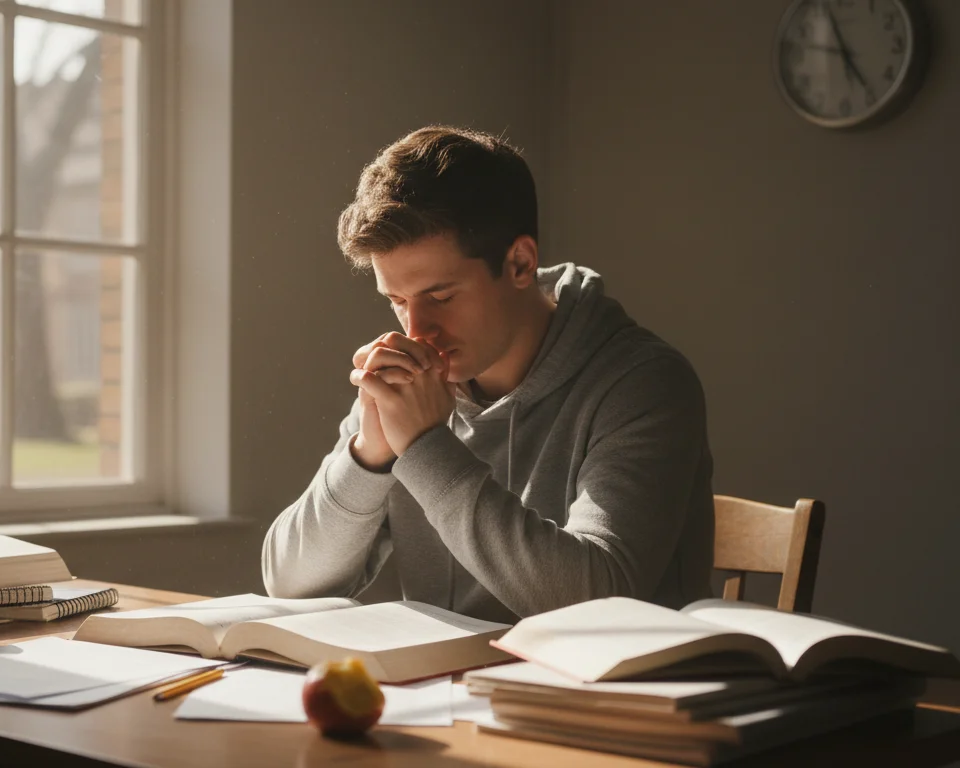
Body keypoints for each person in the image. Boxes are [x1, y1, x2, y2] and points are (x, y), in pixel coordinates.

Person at [261, 126, 714, 623]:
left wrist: (424, 447)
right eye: (396, 301)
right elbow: (289, 585)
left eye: (440, 296)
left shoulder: (644, 383)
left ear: (520, 263)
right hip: (448, 693)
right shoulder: (412, 383)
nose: (417, 330)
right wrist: (368, 458)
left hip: (600, 697)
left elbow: (597, 605)